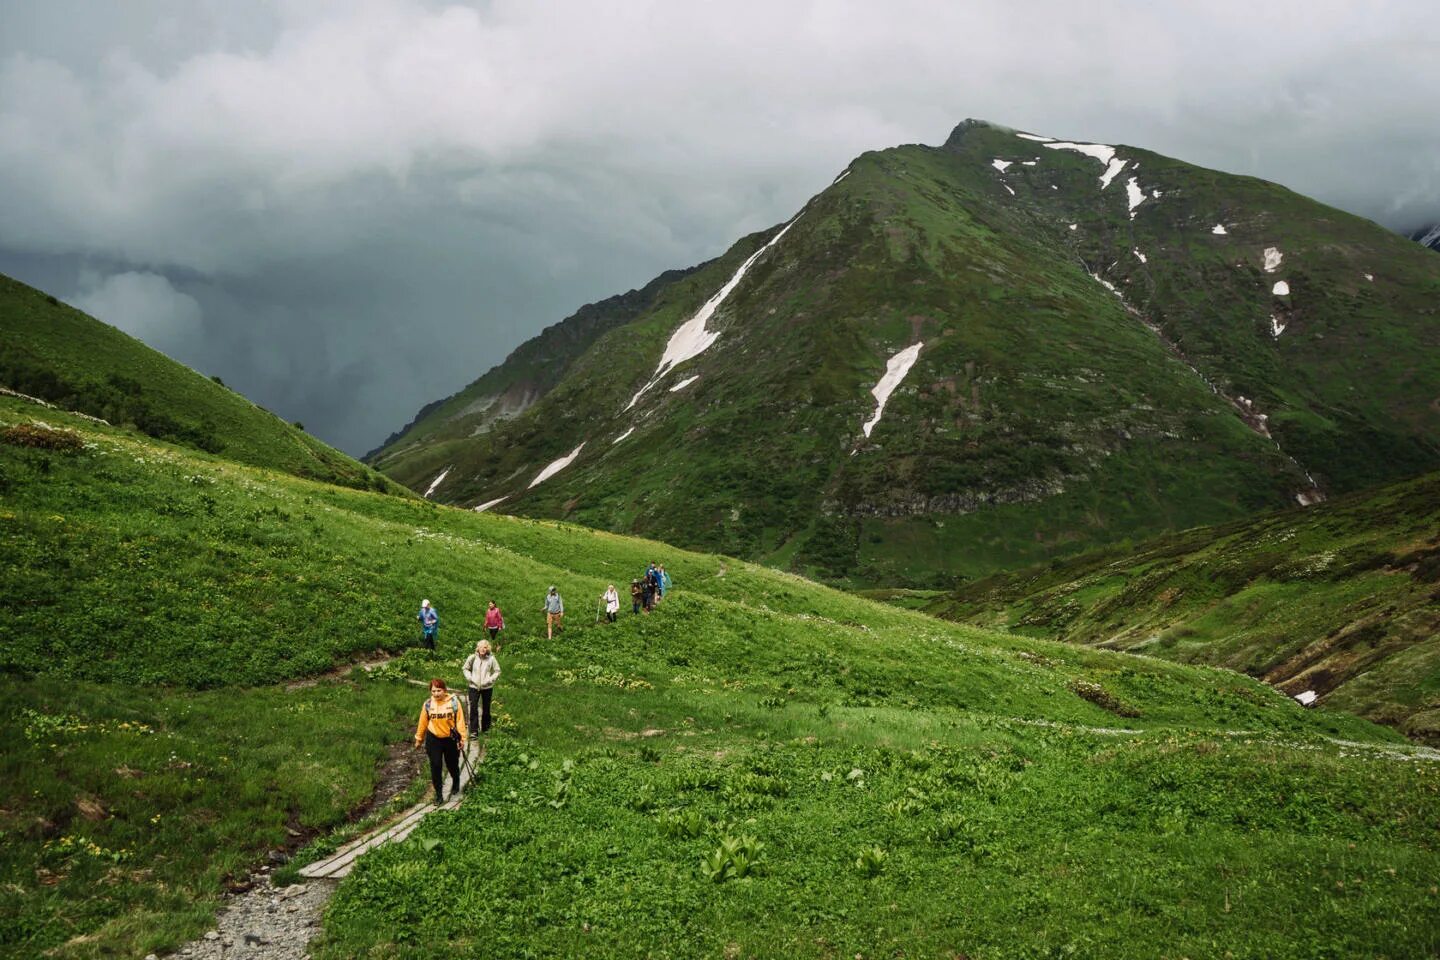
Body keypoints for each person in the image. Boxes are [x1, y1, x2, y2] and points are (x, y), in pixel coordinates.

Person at [414, 678, 467, 803]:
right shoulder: (428, 704)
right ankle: (438, 794)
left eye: (439, 691)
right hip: (434, 739)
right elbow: (422, 723)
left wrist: (462, 739)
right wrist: (419, 739)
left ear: (444, 690)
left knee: (452, 764)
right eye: (433, 691)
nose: (436, 694)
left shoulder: (454, 702)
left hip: (450, 738)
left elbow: (460, 722)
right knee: (436, 765)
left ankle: (456, 780)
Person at [463, 640, 501, 734]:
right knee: (473, 707)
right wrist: (470, 678)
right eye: (480, 647)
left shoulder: (491, 659)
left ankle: (486, 729)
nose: (482, 649)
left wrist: (490, 680)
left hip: (487, 687)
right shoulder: (472, 657)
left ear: (487, 649)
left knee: (486, 708)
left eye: (485, 647)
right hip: (473, 686)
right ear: (477, 648)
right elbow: (465, 668)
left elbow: (497, 671)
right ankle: (473, 731)